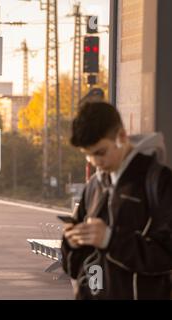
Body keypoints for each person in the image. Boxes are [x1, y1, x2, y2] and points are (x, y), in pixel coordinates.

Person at [61, 101, 172, 299]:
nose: (95, 162)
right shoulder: (94, 185)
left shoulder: (160, 182)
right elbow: (76, 268)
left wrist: (110, 239)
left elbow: (166, 254)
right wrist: (72, 243)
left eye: (100, 152)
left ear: (121, 136)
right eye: (87, 155)